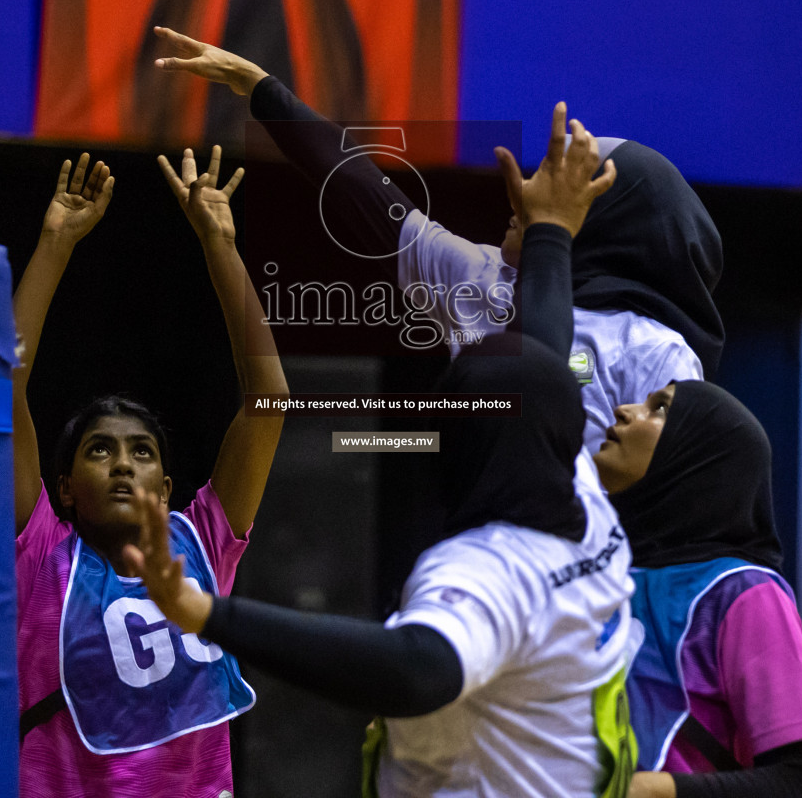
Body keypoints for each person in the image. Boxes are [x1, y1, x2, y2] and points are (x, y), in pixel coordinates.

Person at [151, 26, 725, 474]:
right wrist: (261, 90)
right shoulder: (485, 279)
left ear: (608, 230)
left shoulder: (656, 353)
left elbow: (674, 499)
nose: (523, 196)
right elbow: (364, 192)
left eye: (557, 191)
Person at [122, 334, 640, 798]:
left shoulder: (488, 573)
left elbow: (416, 668)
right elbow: (537, 374)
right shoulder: (588, 504)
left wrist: (207, 614)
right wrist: (550, 231)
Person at [509, 144, 802, 797]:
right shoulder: (597, 577)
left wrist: (651, 790)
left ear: (693, 459)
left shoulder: (745, 594)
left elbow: (799, 781)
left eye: (659, 409)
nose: (625, 409)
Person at [10, 150, 288, 798]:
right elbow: (5, 386)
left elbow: (269, 401)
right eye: (100, 451)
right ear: (65, 491)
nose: (124, 465)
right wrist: (55, 240)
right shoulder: (43, 550)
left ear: (167, 490)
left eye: (141, 452)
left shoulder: (203, 544)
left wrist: (220, 243)